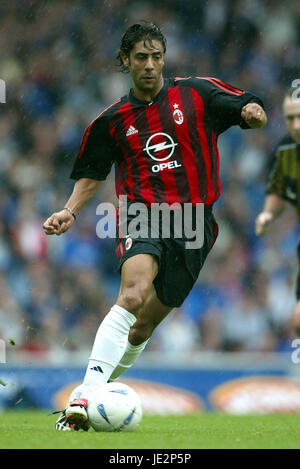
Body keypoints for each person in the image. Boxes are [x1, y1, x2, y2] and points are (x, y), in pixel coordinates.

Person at [43, 22, 267, 431]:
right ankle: (82, 398)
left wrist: (252, 113)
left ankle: (95, 392)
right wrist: (70, 211)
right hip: (142, 214)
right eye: (141, 57)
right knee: (132, 294)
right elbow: (92, 174)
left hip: (195, 224)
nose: (150, 65)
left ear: (164, 58)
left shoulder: (196, 93)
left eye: (156, 56)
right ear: (125, 61)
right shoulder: (111, 120)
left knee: (141, 327)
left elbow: (245, 104)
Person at [255, 87, 300, 336]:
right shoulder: (285, 150)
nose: (295, 124)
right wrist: (267, 214)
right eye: (290, 118)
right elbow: (277, 190)